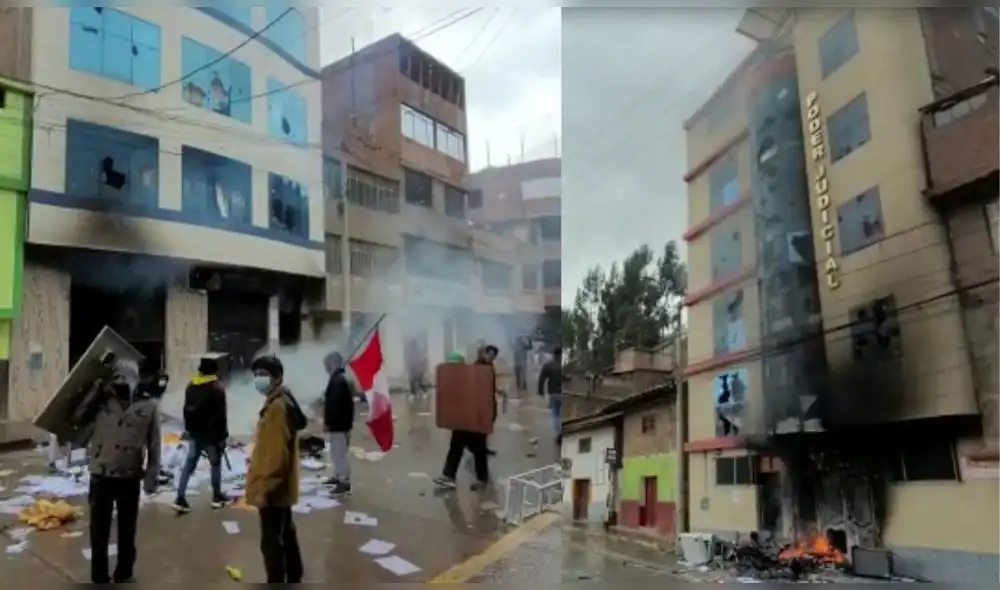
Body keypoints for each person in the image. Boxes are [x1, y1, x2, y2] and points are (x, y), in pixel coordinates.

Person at [71, 357, 160, 584]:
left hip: (129, 476)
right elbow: (76, 419)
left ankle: (124, 573)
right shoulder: (101, 402)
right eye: (116, 377)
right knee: (98, 531)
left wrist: (152, 475)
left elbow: (154, 445)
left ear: (135, 379)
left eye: (124, 377)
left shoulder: (148, 406)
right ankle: (99, 576)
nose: (120, 381)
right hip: (101, 474)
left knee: (127, 530)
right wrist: (95, 392)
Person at [246, 354, 308, 584]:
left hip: (274, 490)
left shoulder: (278, 407)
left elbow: (277, 453)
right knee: (286, 533)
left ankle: (278, 582)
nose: (258, 380)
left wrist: (265, 489)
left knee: (271, 543)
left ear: (278, 377)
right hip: (281, 488)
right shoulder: (278, 401)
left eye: (263, 375)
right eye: (256, 375)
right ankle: (294, 576)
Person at [172, 355, 229, 513]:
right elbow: (221, 416)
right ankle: (217, 497)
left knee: (189, 465)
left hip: (194, 434)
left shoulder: (191, 385)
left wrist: (189, 430)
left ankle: (180, 498)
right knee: (215, 464)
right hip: (211, 436)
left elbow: (186, 410)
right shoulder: (216, 389)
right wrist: (222, 437)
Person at [433, 345, 495, 491]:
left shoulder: (475, 372)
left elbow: (485, 396)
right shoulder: (452, 378)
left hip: (476, 418)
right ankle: (449, 476)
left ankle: (482, 478)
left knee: (479, 449)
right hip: (461, 419)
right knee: (456, 447)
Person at [322, 351, 354, 496]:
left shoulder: (337, 381)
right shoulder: (337, 379)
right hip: (339, 425)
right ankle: (337, 476)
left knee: (339, 454)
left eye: (327, 364)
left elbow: (335, 405)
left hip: (339, 426)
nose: (326, 367)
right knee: (335, 453)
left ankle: (344, 481)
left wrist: (329, 422)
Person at [538, 347, 563, 445]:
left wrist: (540, 391)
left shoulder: (548, 365)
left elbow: (542, 378)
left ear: (553, 354)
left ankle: (559, 432)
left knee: (556, 415)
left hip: (553, 393)